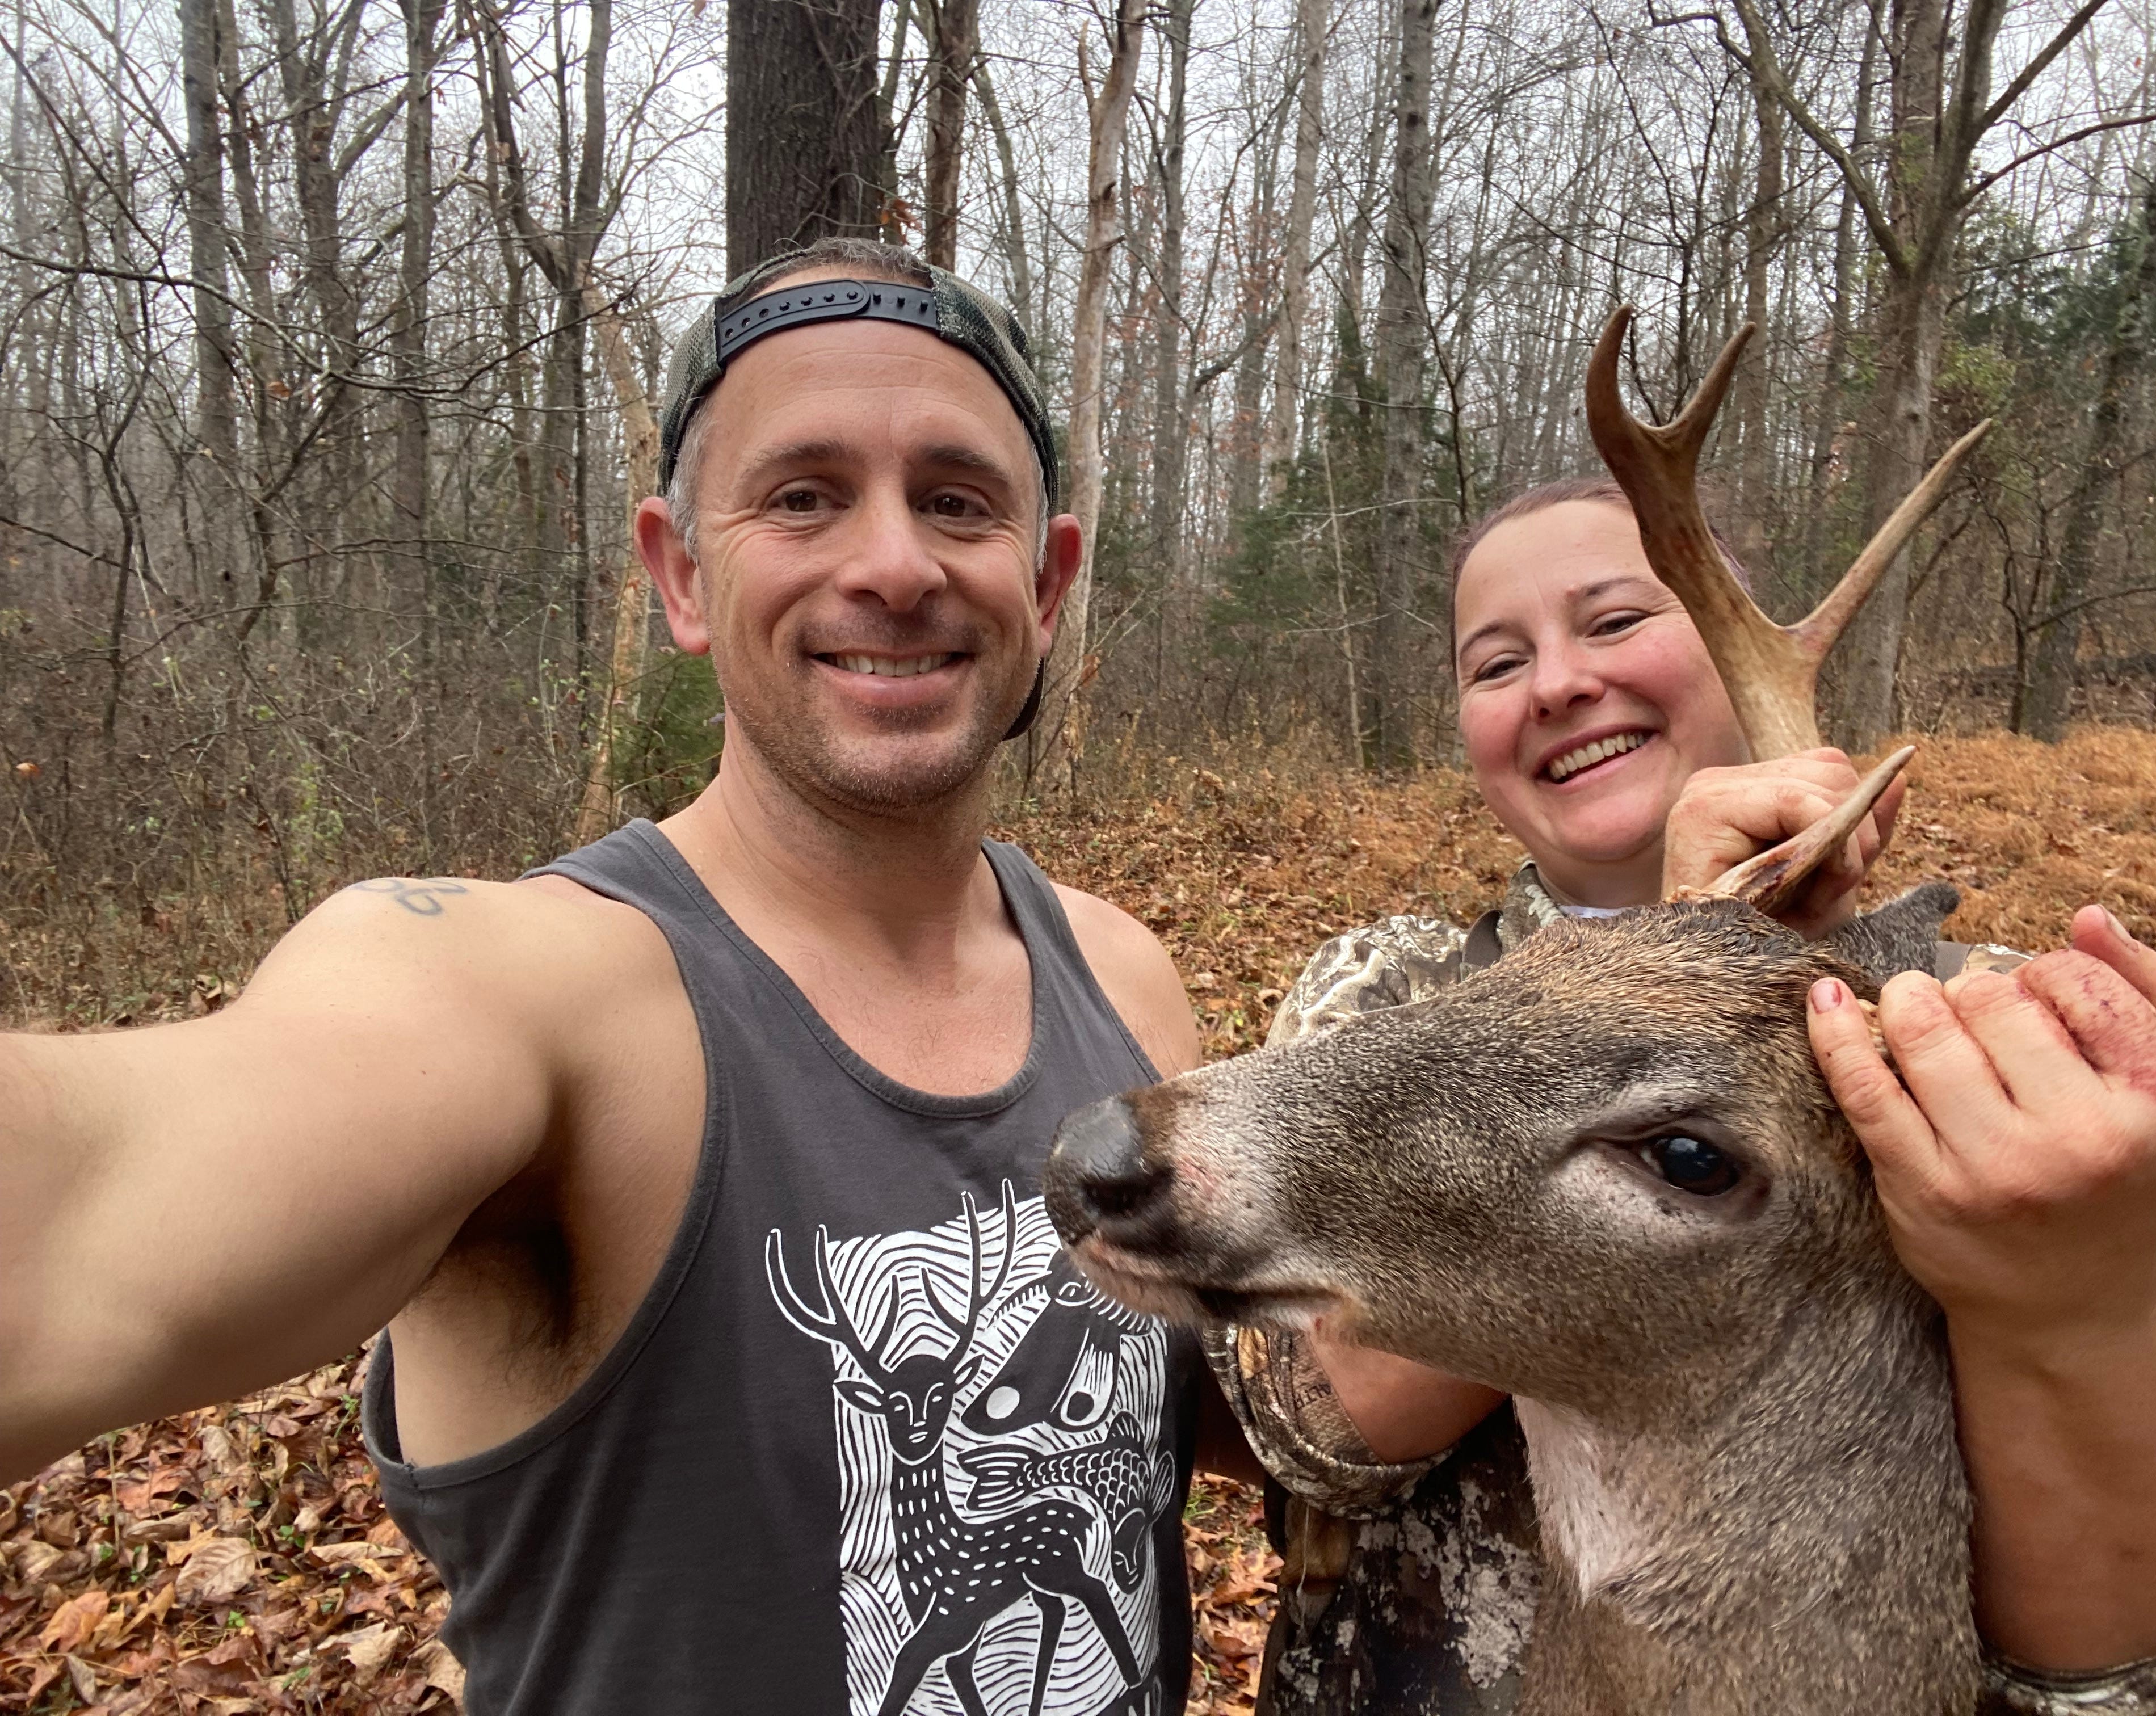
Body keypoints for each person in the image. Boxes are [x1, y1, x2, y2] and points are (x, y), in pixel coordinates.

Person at [0, 238, 1288, 1716]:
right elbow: (89, 1217)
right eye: (804, 496)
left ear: (1045, 581)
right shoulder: (539, 997)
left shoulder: (1126, 981)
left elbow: (1232, 1409)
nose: (892, 562)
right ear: (682, 573)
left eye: (957, 500)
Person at [1214, 473, 2156, 1714]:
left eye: (1614, 622)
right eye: (1495, 664)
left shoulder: (1981, 1053)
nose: (1558, 683)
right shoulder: (1388, 992)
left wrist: (2064, 1299)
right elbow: (1304, 1432)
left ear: (1742, 656)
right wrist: (1670, 1003)